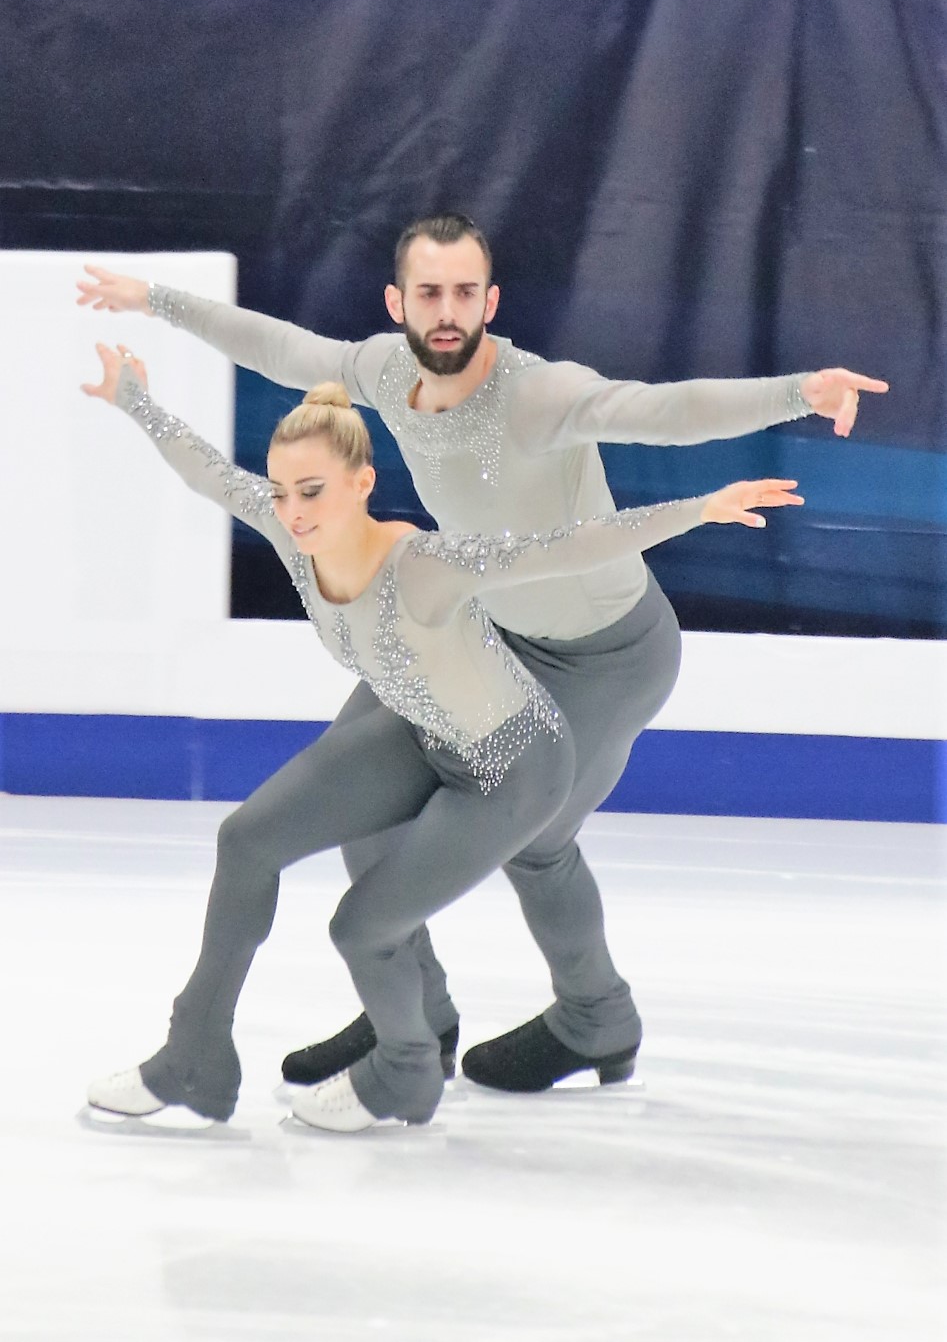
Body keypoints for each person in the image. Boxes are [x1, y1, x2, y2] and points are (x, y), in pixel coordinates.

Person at [77, 215, 887, 1095]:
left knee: (533, 843)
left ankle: (595, 1017)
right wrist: (153, 299)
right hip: (478, 625)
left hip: (603, 655)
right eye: (429, 292)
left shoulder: (538, 395)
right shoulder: (385, 372)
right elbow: (280, 346)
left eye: (466, 292)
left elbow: (661, 409)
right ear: (399, 303)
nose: (448, 310)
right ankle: (414, 1007)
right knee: (362, 805)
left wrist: (800, 391)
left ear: (490, 301)